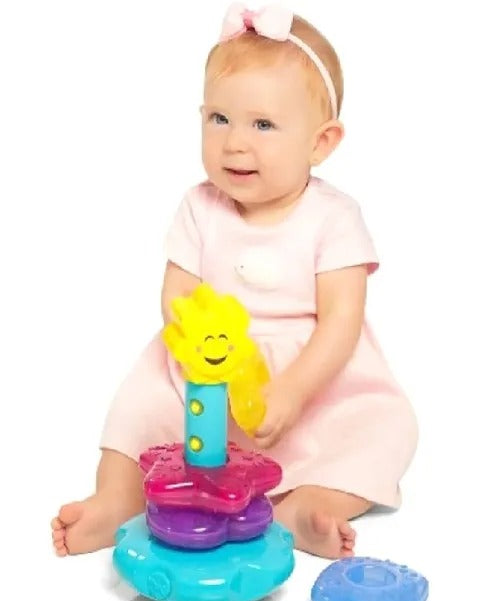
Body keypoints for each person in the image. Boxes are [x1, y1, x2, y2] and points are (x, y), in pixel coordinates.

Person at [51, 3, 418, 560]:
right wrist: (195, 346)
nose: (234, 143)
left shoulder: (334, 217)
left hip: (308, 382)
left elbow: (341, 322)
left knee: (385, 430)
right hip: (207, 376)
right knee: (138, 407)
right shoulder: (200, 207)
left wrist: (292, 391)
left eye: (263, 125)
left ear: (320, 143)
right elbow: (176, 293)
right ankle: (117, 498)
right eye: (219, 119)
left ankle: (308, 507)